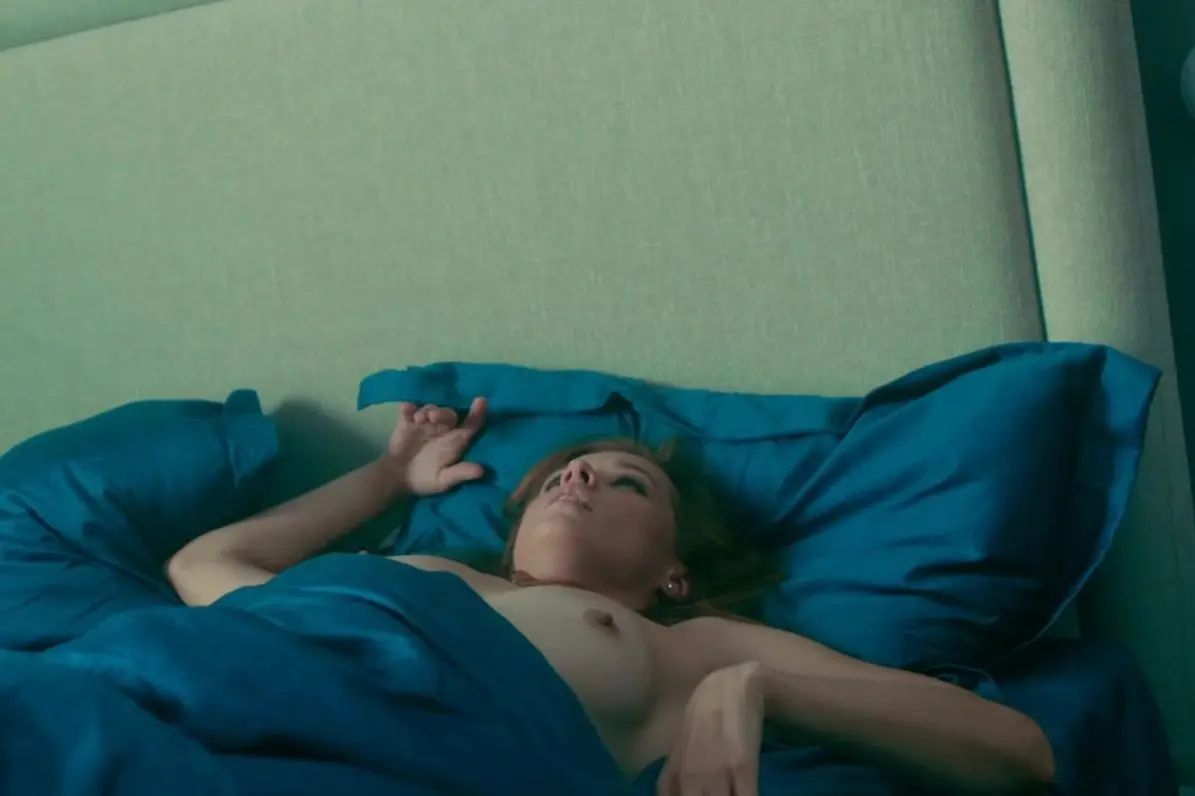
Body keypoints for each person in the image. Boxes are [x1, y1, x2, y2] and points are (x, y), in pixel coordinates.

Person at [167, 397, 1056, 796]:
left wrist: (763, 688)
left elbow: (1017, 753)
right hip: (197, 693)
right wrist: (390, 476)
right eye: (560, 475)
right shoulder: (421, 573)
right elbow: (205, 566)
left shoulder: (694, 643)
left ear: (675, 571)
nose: (579, 475)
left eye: (626, 483)